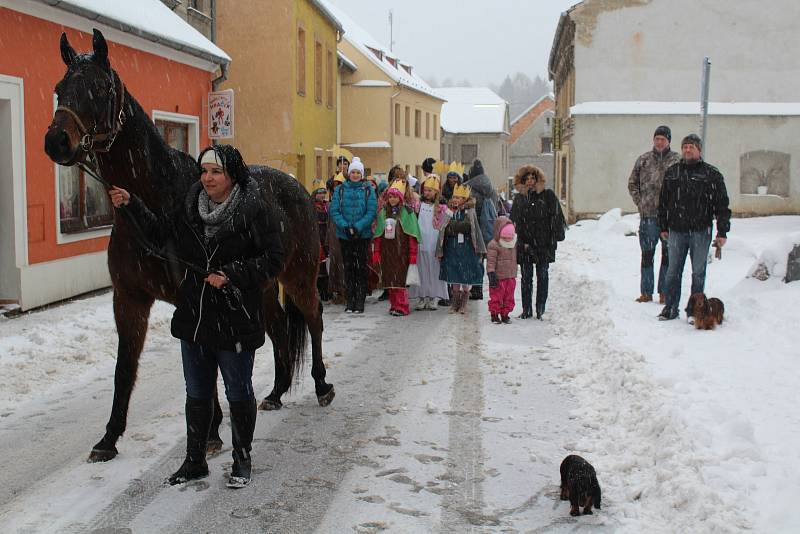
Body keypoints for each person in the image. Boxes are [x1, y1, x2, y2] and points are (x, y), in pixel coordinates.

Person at [107, 144, 284, 488]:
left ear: (232, 175)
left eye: (216, 172)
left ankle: (241, 459)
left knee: (237, 391)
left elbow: (273, 260)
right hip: (195, 316)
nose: (207, 178)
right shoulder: (190, 207)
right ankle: (195, 460)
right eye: (204, 171)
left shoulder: (255, 211)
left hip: (234, 317)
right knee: (197, 393)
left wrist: (232, 273)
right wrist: (132, 205)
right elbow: (159, 233)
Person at [657, 134, 730, 322]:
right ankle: (670, 308)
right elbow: (663, 203)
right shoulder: (673, 173)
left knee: (698, 272)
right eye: (685, 147)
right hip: (676, 231)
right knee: (673, 271)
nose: (687, 150)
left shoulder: (711, 174)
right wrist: (663, 226)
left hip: (700, 231)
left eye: (691, 147)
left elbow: (722, 205)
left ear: (699, 150)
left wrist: (722, 231)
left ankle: (694, 311)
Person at [628, 125, 680, 304]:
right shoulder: (643, 160)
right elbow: (632, 183)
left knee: (668, 256)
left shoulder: (677, 161)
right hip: (648, 216)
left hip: (670, 218)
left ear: (669, 141)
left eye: (663, 139)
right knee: (647, 254)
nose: (659, 142)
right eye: (657, 138)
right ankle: (646, 292)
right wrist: (640, 202)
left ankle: (664, 292)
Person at [510, 165, 566, 320]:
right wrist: (517, 241)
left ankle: (540, 308)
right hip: (525, 243)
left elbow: (556, 217)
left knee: (543, 275)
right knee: (526, 277)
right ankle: (526, 309)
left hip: (543, 243)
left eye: (532, 178)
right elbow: (513, 221)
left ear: (537, 180)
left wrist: (555, 236)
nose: (530, 181)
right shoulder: (519, 199)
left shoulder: (547, 195)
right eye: (526, 179)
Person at [329, 156, 377, 313]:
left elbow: (371, 211)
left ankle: (360, 301)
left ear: (362, 174)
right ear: (349, 173)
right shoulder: (340, 190)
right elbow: (334, 211)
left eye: (358, 172)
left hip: (362, 235)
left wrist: (357, 227)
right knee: (348, 268)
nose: (355, 174)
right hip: (345, 235)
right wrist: (346, 227)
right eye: (353, 172)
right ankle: (350, 300)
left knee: (361, 268)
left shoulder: (368, 190)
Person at [372, 180, 421, 316]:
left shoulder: (407, 212)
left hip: (402, 252)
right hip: (388, 252)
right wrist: (376, 251)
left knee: (400, 280)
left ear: (400, 198)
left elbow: (412, 235)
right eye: (390, 197)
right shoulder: (383, 212)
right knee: (390, 280)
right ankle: (394, 305)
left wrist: (412, 254)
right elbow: (378, 235)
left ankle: (402, 306)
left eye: (395, 197)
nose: (392, 199)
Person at [437, 183, 486, 314]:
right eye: (454, 197)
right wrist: (453, 225)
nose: (455, 200)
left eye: (459, 197)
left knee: (465, 276)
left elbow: (467, 227)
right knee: (454, 277)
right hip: (452, 249)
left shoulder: (470, 212)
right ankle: (455, 304)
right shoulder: (449, 211)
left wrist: (453, 226)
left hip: (466, 249)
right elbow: (444, 227)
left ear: (465, 199)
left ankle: (464, 303)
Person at [410, 174, 450, 310]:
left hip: (434, 245)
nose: (426, 193)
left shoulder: (441, 208)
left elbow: (444, 225)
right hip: (421, 243)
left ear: (436, 192)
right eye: (425, 190)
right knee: (421, 270)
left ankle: (434, 296)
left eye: (430, 190)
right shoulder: (418, 205)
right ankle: (421, 296)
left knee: (434, 270)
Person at [465, 159, 497, 300]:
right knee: (481, 260)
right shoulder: (491, 189)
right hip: (488, 229)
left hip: (475, 229)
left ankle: (475, 288)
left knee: (473, 260)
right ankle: (479, 288)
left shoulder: (469, 189)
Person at [486, 216, 518, 324]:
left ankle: (505, 314)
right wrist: (491, 272)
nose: (508, 240)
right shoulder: (494, 245)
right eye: (505, 237)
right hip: (498, 277)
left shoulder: (514, 244)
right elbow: (491, 261)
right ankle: (494, 314)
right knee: (496, 296)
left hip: (510, 276)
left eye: (510, 237)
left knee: (509, 296)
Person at [312, 180, 331, 302]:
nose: (322, 195)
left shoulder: (327, 206)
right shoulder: (312, 206)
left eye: (324, 192)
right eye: (320, 193)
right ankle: (318, 291)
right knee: (318, 266)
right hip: (317, 237)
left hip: (326, 238)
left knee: (326, 267)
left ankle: (326, 291)